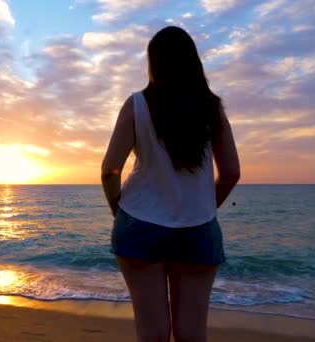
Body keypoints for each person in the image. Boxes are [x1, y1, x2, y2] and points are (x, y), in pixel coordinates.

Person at [101, 26, 240, 342]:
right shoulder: (211, 107)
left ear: (153, 64)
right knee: (191, 334)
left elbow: (110, 170)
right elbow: (231, 171)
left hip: (139, 223)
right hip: (198, 226)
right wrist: (203, 206)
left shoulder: (137, 105)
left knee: (153, 334)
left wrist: (120, 212)